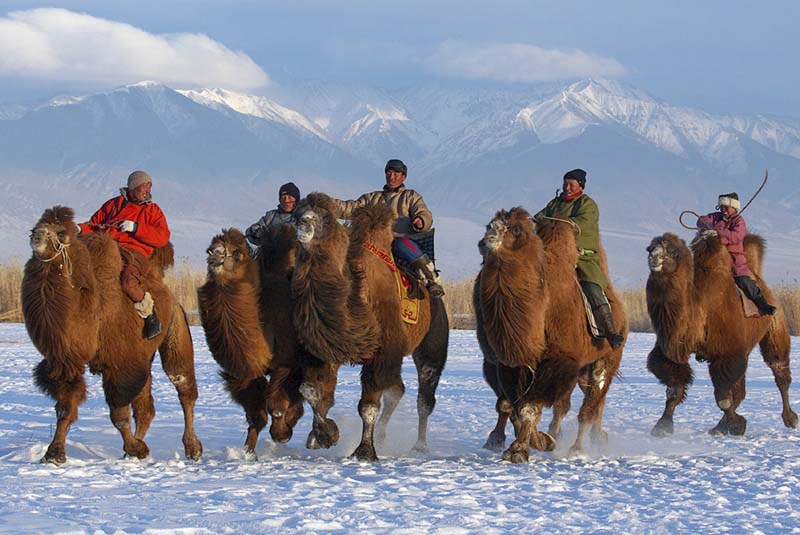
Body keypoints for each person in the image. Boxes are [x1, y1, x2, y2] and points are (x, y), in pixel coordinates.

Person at [534, 168, 624, 349]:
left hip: (583, 258)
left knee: (592, 288)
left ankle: (611, 331)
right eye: (565, 184)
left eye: (571, 184)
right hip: (554, 258)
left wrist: (559, 225)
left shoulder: (587, 205)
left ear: (580, 186)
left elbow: (580, 224)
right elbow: (539, 217)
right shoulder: (555, 203)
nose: (567, 188)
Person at [331, 159, 445, 298]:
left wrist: (421, 220)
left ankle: (431, 278)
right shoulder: (372, 198)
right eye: (389, 173)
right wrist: (326, 203)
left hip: (401, 241)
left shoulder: (410, 196)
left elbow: (423, 212)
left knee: (400, 243)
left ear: (403, 177)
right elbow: (349, 208)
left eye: (396, 173)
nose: (392, 177)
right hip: (374, 245)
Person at [77, 170, 169, 339]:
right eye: (143, 187)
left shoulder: (153, 211)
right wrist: (79, 229)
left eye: (149, 187)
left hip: (135, 254)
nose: (147, 191)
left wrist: (136, 228)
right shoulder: (113, 205)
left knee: (128, 282)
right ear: (133, 187)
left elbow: (162, 237)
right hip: (108, 250)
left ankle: (150, 315)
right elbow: (95, 224)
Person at [697, 192, 776, 316]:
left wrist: (718, 234)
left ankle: (762, 305)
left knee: (745, 282)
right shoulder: (716, 217)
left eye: (726, 207)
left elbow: (736, 236)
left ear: (733, 207)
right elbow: (701, 220)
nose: (723, 210)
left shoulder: (739, 221)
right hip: (713, 257)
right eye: (721, 207)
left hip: (734, 260)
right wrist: (707, 228)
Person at [245, 182, 300, 248]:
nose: (286, 201)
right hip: (270, 254)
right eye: (283, 198)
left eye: (290, 198)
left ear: (296, 200)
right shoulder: (271, 216)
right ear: (279, 199)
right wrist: (254, 232)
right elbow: (254, 231)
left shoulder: (301, 217)